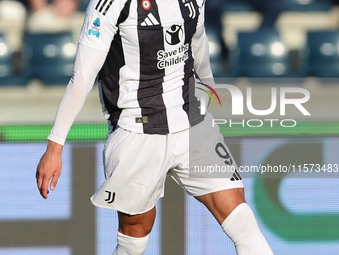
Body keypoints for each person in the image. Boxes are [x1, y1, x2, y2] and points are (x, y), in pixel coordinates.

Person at [36, 0, 274, 254]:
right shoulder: (109, 4)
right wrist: (55, 146)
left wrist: (209, 89)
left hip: (192, 122)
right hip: (136, 131)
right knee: (134, 236)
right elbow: (83, 76)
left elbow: (198, 42)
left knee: (242, 219)